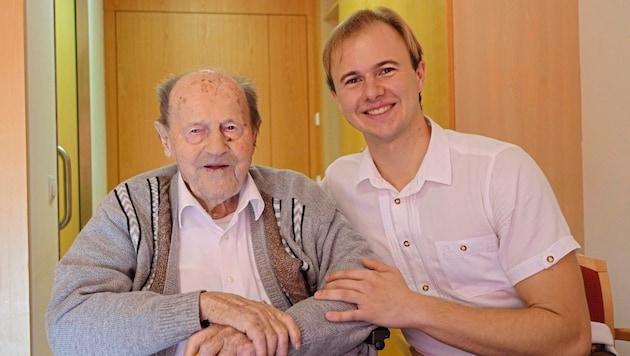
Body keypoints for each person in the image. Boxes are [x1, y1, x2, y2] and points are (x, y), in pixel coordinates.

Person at [314, 7, 592, 356]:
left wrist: (411, 307)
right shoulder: (339, 184)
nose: (372, 91)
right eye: (353, 80)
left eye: (386, 70)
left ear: (419, 74)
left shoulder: (500, 170)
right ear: (337, 99)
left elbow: (571, 337)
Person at [46, 68, 378, 356]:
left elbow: (363, 293)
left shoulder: (299, 197)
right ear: (166, 139)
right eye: (196, 131)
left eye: (231, 128)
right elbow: (69, 324)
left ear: (255, 132)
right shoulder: (130, 208)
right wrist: (203, 306)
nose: (217, 147)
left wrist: (259, 340)